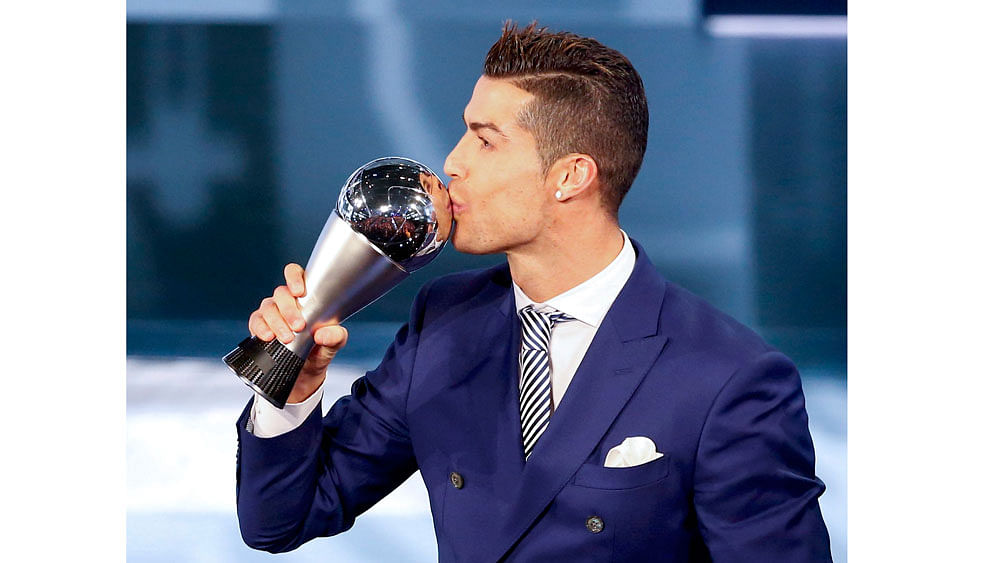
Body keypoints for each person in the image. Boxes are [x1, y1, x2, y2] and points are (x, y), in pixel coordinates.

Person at [235, 22, 833, 562]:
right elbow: (280, 522)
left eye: (485, 140)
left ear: (570, 176)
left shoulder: (728, 377)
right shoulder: (443, 324)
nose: (453, 162)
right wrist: (290, 387)